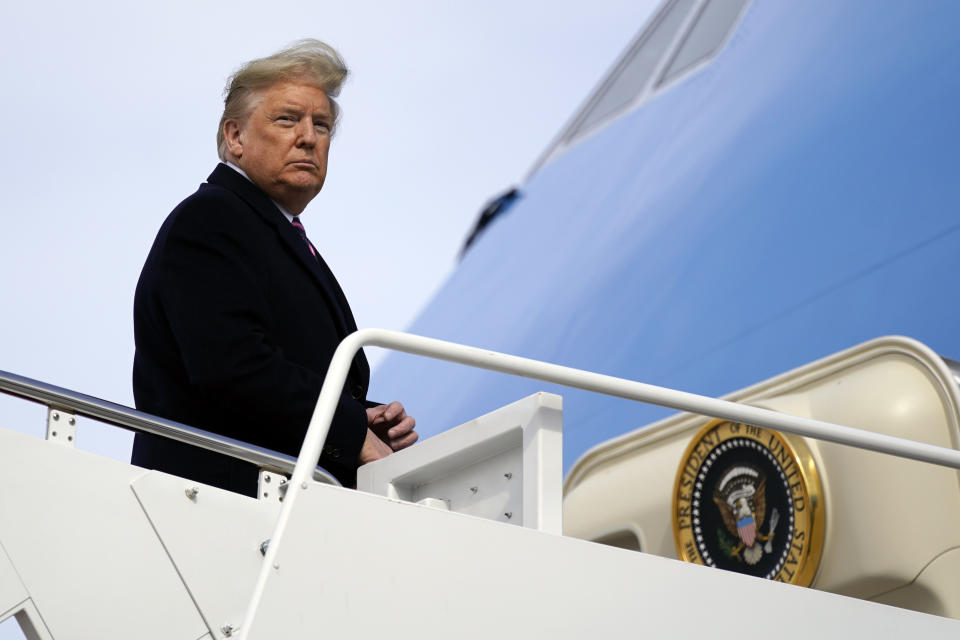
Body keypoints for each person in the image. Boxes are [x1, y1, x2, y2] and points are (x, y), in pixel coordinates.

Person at [131, 39, 416, 495]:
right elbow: (234, 367)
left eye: (321, 125)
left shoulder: (273, 233)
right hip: (219, 506)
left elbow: (282, 371)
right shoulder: (210, 219)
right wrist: (350, 434)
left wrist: (365, 419)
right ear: (235, 137)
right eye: (287, 119)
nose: (308, 136)